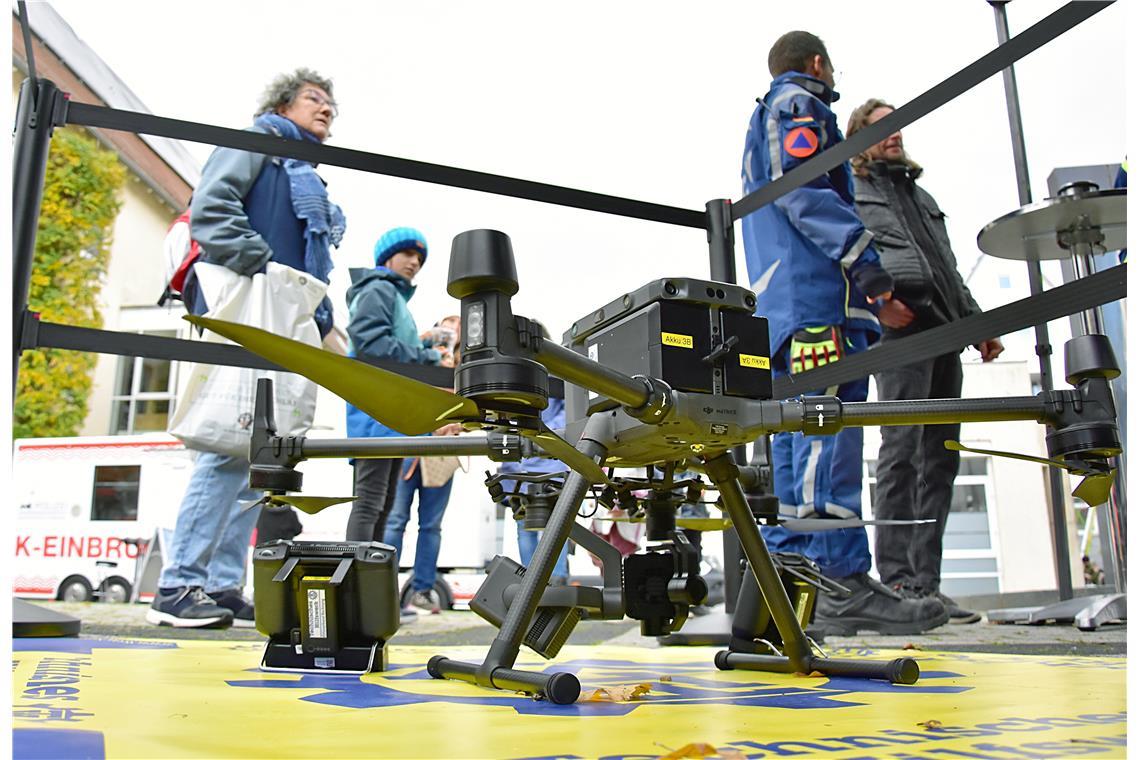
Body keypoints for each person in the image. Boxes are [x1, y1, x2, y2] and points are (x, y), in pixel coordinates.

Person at [739, 32, 947, 636]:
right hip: (815, 301)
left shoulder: (769, 115)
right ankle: (839, 582)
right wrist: (868, 267)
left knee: (794, 440)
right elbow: (805, 189)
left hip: (788, 305)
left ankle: (798, 585)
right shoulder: (799, 104)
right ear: (818, 64)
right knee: (825, 431)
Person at [148, 69, 345, 628]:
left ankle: (219, 584)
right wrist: (261, 266)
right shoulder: (257, 143)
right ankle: (178, 584)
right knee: (224, 446)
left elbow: (310, 262)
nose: (327, 109)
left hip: (280, 310)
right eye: (315, 98)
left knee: (252, 450)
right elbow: (212, 208)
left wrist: (314, 308)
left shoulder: (301, 171)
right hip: (253, 302)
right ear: (282, 103)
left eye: (333, 104)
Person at [848, 98, 1003, 624]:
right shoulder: (856, 191)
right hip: (900, 333)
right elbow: (847, 254)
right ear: (859, 136)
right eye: (881, 125)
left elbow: (947, 266)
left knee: (940, 457)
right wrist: (875, 302)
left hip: (946, 331)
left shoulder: (921, 195)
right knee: (902, 452)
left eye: (897, 125)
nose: (894, 133)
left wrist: (976, 322)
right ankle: (896, 579)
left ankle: (926, 585)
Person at [344, 228, 450, 558]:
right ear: (387, 257)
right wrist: (429, 356)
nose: (414, 263)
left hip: (388, 414)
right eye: (407, 254)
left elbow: (392, 348)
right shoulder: (379, 289)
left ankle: (368, 591)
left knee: (383, 506)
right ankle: (354, 590)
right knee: (370, 503)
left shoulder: (393, 297)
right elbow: (372, 345)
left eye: (419, 259)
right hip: (374, 412)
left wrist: (423, 341)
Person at [383, 315, 463, 615]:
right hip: (410, 447)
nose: (453, 327)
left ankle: (423, 590)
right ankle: (384, 585)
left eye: (458, 323)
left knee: (431, 525)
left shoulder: (464, 368)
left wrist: (457, 426)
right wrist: (427, 342)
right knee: (395, 520)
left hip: (443, 453)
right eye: (447, 323)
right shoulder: (423, 356)